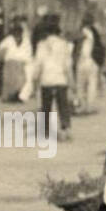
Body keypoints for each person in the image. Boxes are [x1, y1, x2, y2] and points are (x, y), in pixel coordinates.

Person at [29, 13, 74, 141]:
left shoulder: (41, 45)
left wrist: (34, 78)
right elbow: (67, 65)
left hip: (46, 80)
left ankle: (46, 131)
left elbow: (38, 64)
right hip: (60, 80)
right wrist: (71, 81)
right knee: (63, 106)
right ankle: (65, 129)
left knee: (46, 107)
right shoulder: (64, 44)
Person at [73, 14, 104, 114]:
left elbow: (75, 46)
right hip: (93, 61)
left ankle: (82, 106)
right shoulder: (95, 33)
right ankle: (90, 106)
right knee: (92, 84)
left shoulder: (81, 33)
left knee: (80, 85)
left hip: (82, 61)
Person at [0, 21, 31, 102]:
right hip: (10, 62)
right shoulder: (8, 40)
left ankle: (17, 96)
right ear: (13, 33)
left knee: (20, 81)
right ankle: (7, 97)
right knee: (9, 81)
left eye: (19, 32)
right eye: (16, 32)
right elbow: (1, 50)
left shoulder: (26, 40)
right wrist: (1, 59)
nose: (18, 34)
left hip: (21, 62)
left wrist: (26, 61)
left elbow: (28, 51)